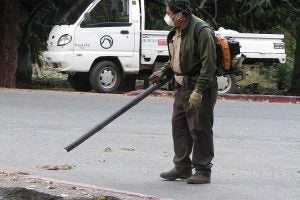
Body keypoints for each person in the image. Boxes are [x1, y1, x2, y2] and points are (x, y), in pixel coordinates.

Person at [149, 0, 218, 184]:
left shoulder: (201, 31)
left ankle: (203, 171)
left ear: (180, 15)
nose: (167, 17)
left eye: (169, 13)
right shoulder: (175, 31)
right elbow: (176, 58)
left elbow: (209, 65)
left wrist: (199, 91)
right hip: (181, 86)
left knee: (200, 129)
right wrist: (163, 71)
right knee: (179, 127)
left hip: (199, 87)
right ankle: (182, 167)